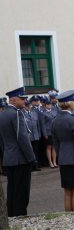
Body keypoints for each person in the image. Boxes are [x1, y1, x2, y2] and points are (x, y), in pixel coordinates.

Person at [0, 87, 36, 217]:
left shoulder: (2, 114)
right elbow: (22, 138)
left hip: (9, 158)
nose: (25, 101)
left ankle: (12, 215)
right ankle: (20, 215)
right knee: (22, 191)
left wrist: (5, 155)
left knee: (12, 189)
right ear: (14, 100)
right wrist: (31, 158)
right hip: (21, 159)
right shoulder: (16, 114)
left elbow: (2, 141)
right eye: (22, 99)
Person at [51, 90, 74, 212]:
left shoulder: (55, 120)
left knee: (67, 192)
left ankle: (69, 219)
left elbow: (56, 143)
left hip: (63, 159)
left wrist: (61, 155)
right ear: (70, 103)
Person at [41, 99, 58, 168]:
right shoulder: (43, 113)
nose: (49, 106)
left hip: (54, 132)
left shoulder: (54, 112)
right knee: (49, 147)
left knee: (54, 147)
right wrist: (44, 134)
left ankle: (54, 162)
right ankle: (50, 162)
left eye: (50, 104)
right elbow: (43, 124)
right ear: (45, 105)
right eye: (48, 104)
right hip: (48, 132)